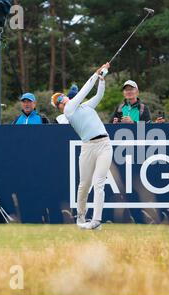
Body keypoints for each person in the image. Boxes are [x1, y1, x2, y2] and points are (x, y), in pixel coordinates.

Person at [51, 63, 112, 231]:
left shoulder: (85, 106)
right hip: (88, 147)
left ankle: (96, 220)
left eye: (62, 98)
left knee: (99, 183)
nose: (63, 101)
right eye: (59, 102)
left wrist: (101, 78)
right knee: (84, 184)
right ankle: (81, 217)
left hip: (104, 144)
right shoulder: (69, 111)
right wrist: (96, 72)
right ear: (60, 107)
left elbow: (99, 96)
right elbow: (85, 90)